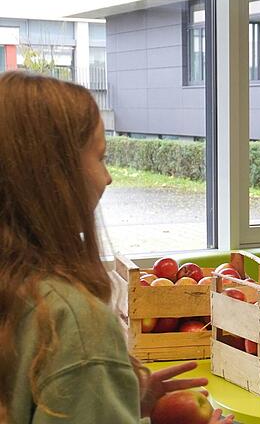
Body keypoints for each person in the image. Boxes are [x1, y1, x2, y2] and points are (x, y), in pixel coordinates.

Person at [0, 71, 233, 423]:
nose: (107, 177)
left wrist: (115, 400)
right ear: (55, 176)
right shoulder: (73, 323)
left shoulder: (16, 289)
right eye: (100, 157)